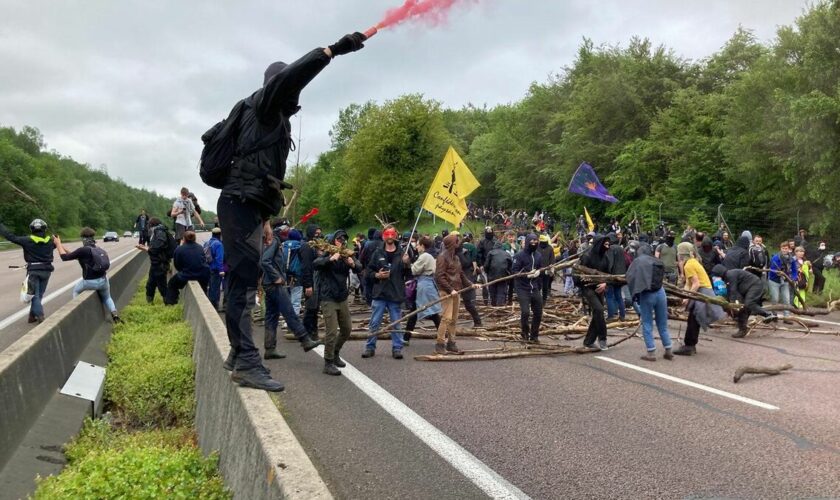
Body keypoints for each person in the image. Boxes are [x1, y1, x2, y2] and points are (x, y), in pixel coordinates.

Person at [213, 32, 366, 391]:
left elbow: (259, 174)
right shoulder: (264, 106)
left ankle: (238, 354)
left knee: (243, 281)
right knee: (242, 283)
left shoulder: (269, 117)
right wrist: (333, 51)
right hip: (237, 204)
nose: (295, 99)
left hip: (248, 207)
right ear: (276, 87)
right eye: (289, 90)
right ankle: (247, 361)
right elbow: (291, 76)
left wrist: (265, 221)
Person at [260, 225, 322, 359]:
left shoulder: (272, 241)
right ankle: (305, 339)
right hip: (273, 284)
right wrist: (276, 277)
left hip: (268, 283)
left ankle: (270, 348)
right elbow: (265, 261)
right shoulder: (275, 241)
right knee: (289, 310)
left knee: (271, 316)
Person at [312, 230, 361, 375]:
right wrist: (330, 259)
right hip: (328, 298)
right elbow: (316, 264)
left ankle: (335, 353)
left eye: (344, 239)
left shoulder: (347, 254)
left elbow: (360, 268)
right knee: (331, 331)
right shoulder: (328, 253)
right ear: (334, 240)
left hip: (342, 296)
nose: (342, 241)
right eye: (339, 239)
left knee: (347, 329)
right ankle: (328, 362)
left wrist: (352, 264)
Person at [54, 228, 121, 322]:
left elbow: (65, 257)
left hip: (90, 282)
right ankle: (114, 313)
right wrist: (61, 245)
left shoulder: (83, 250)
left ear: (83, 238)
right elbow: (74, 255)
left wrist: (57, 244)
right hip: (103, 280)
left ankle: (79, 312)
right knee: (107, 297)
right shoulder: (98, 249)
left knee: (76, 291)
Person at [363, 227, 410, 359]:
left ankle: (397, 348)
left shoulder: (403, 253)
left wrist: (407, 264)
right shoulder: (377, 252)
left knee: (396, 322)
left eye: (392, 234)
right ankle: (370, 347)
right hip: (380, 293)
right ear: (383, 236)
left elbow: (409, 274)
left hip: (395, 293)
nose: (389, 236)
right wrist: (377, 275)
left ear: (395, 236)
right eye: (387, 234)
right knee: (375, 322)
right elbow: (368, 272)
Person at [673, 243, 725, 355]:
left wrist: (688, 296)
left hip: (702, 292)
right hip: (702, 291)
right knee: (694, 319)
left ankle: (689, 346)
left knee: (694, 319)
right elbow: (689, 283)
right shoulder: (692, 262)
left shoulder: (689, 265)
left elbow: (696, 284)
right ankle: (691, 345)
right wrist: (685, 295)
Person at [0, 218, 55, 323]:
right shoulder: (51, 241)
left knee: (34, 295)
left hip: (33, 271)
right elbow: (56, 245)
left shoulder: (27, 240)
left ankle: (40, 315)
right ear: (44, 229)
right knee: (39, 295)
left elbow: (10, 236)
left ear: (32, 229)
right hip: (46, 271)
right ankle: (32, 317)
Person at [434, 233, 478, 354]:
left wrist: (471, 284)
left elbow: (461, 274)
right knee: (446, 318)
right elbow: (439, 276)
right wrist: (450, 290)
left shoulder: (456, 258)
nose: (459, 244)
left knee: (453, 319)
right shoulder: (442, 257)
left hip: (456, 292)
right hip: (447, 292)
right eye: (457, 242)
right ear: (452, 244)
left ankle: (451, 343)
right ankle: (440, 344)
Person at [626, 243, 671, 360]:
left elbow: (629, 277)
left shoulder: (638, 261)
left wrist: (635, 294)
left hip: (647, 294)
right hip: (661, 292)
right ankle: (668, 349)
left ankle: (651, 352)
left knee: (647, 323)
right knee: (662, 323)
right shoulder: (656, 260)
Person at [712, 264, 776, 338]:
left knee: (749, 303)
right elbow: (731, 292)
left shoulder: (730, 275)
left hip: (755, 285)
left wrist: (733, 305)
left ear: (719, 273)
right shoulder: (727, 277)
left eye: (716, 275)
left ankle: (768, 314)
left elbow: (733, 291)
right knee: (743, 308)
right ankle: (742, 330)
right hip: (747, 289)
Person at [407, 236, 444, 339]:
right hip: (428, 284)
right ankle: (406, 336)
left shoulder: (424, 256)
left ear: (423, 246)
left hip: (424, 286)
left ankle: (443, 335)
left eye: (418, 245)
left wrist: (408, 262)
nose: (416, 247)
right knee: (415, 312)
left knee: (432, 313)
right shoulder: (430, 256)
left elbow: (414, 270)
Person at [579, 235, 611, 350]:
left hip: (600, 288)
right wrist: (584, 280)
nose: (608, 247)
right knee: (599, 309)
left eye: (609, 245)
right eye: (606, 245)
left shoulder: (605, 258)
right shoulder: (586, 256)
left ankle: (588, 341)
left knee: (598, 313)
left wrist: (605, 284)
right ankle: (602, 338)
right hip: (587, 288)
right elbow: (578, 273)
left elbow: (608, 275)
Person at [511, 234, 544, 343]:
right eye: (532, 241)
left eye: (536, 241)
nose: (534, 243)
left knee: (538, 312)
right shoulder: (519, 256)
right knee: (525, 312)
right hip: (522, 288)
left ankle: (534, 336)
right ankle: (524, 332)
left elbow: (540, 268)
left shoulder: (538, 255)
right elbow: (514, 271)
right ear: (528, 241)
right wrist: (526, 275)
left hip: (534, 287)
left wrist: (540, 272)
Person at [135, 217, 176, 303]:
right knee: (150, 285)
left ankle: (169, 304)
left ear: (151, 225)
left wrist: (146, 249)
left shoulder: (160, 232)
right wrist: (146, 247)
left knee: (162, 286)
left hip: (160, 264)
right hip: (155, 264)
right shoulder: (157, 231)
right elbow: (156, 246)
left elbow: (158, 246)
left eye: (148, 225)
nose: (148, 227)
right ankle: (150, 303)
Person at [165, 231, 210, 305]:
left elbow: (177, 264)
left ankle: (171, 303)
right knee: (203, 288)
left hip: (187, 274)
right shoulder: (200, 247)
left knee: (171, 284)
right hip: (203, 274)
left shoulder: (179, 249)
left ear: (184, 239)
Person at [768, 241, 794, 317]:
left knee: (786, 299)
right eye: (783, 248)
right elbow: (772, 269)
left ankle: (786, 316)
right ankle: (773, 314)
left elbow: (794, 270)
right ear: (780, 248)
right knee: (775, 299)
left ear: (789, 249)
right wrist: (778, 273)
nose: (784, 250)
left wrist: (793, 278)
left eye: (786, 248)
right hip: (774, 281)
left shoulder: (792, 259)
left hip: (786, 281)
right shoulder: (775, 258)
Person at [605, 232, 627, 321]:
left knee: (609, 296)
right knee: (619, 296)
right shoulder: (621, 249)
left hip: (612, 276)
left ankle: (611, 316)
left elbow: (610, 263)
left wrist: (607, 274)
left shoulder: (610, 249)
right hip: (621, 275)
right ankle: (622, 315)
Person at [484, 241, 512, 306]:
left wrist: (487, 272)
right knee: (501, 291)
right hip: (503, 276)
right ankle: (500, 306)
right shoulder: (507, 254)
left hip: (492, 275)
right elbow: (511, 266)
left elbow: (486, 265)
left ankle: (493, 305)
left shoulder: (491, 253)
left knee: (492, 291)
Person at [205, 227, 225, 310]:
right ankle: (214, 305)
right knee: (216, 288)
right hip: (215, 269)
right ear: (220, 235)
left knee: (210, 286)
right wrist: (221, 270)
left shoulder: (207, 242)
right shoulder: (219, 244)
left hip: (208, 268)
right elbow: (219, 258)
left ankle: (209, 303)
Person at [536, 234, 556, 302]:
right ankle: (537, 299)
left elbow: (552, 258)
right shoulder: (537, 247)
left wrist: (551, 266)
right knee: (537, 286)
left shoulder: (550, 248)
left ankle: (544, 299)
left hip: (546, 271)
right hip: (537, 270)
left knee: (545, 286)